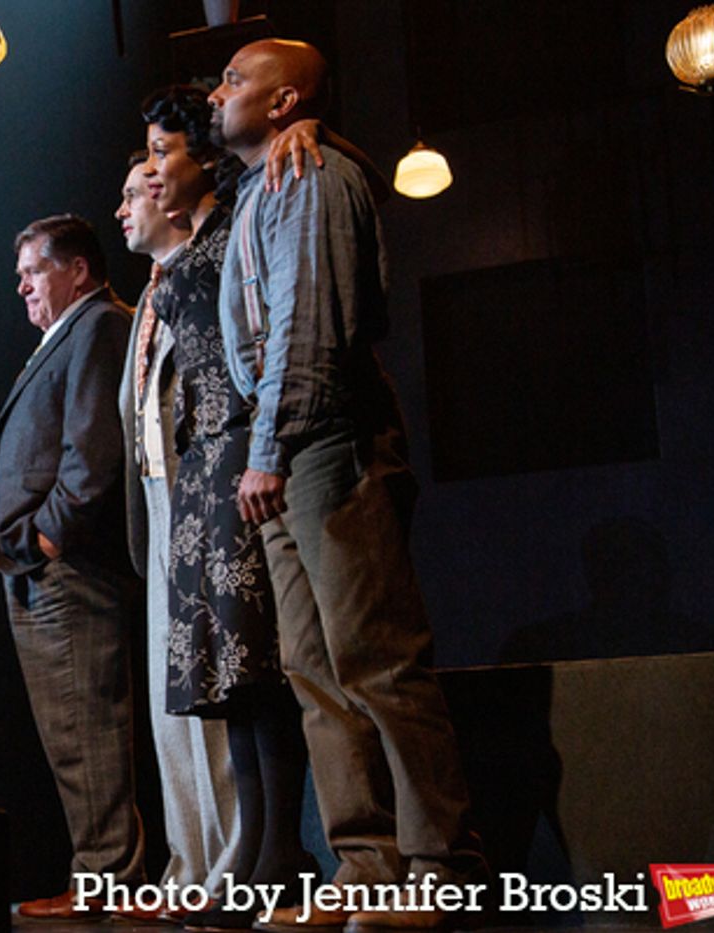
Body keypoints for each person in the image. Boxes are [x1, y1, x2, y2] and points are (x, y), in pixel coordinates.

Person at [206, 40, 486, 930]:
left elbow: (305, 325)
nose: (220, 93)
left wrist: (272, 444)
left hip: (325, 437)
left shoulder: (314, 173)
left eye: (237, 80)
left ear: (287, 100)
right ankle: (366, 865)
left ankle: (443, 867)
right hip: (285, 446)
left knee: (377, 656)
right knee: (314, 668)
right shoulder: (259, 184)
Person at [137, 87, 321, 933]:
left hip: (242, 444)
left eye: (163, 150)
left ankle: (281, 851)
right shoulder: (181, 247)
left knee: (260, 661)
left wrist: (307, 124)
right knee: (225, 671)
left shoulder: (240, 206)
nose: (151, 167)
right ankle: (254, 849)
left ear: (202, 157)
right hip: (200, 461)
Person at [0, 214, 144, 920]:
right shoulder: (63, 334)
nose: (20, 284)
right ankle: (97, 871)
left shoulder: (99, 324)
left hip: (66, 564)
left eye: (33, 269)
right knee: (68, 731)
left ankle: (109, 877)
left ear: (78, 269)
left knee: (87, 724)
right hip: (35, 566)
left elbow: (94, 447)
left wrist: (49, 536)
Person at [116, 153, 247, 920]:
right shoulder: (150, 296)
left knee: (215, 688)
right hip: (161, 500)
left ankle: (233, 859)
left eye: (137, 192)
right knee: (174, 702)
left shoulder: (207, 269)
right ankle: (187, 860)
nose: (126, 206)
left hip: (205, 491)